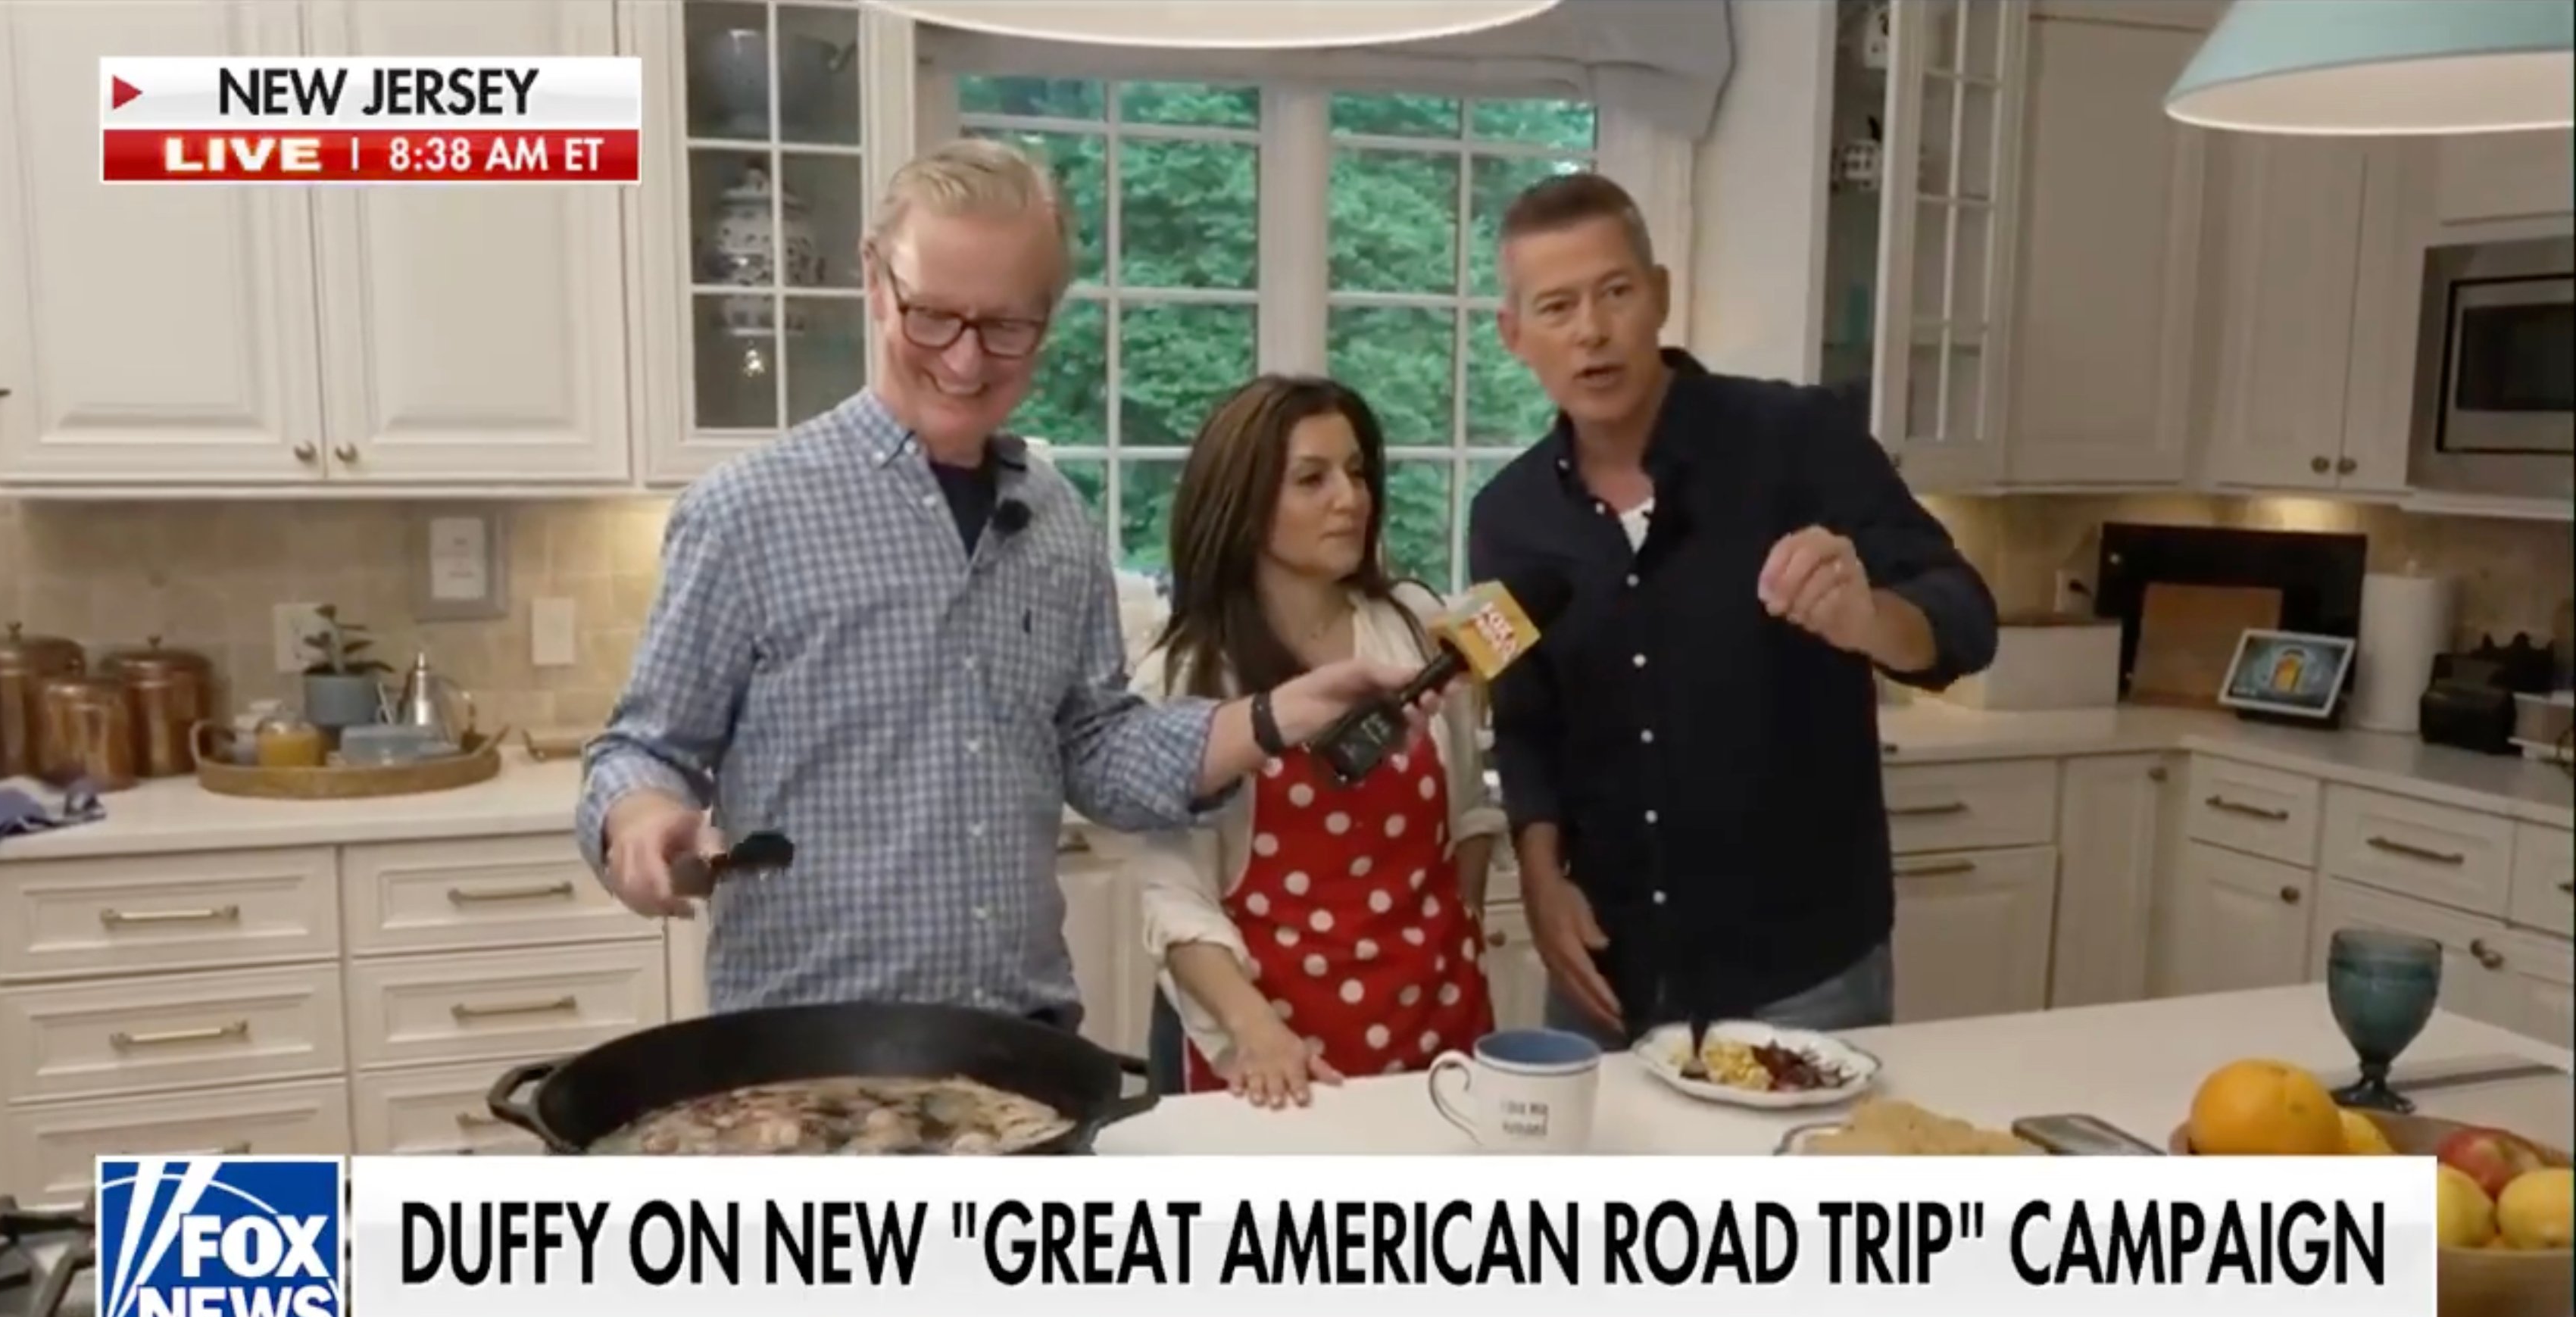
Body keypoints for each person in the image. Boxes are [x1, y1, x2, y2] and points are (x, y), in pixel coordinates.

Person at [579, 139, 1423, 1021]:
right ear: (876, 281)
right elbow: (644, 749)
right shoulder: (745, 513)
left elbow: (1097, 753)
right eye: (932, 316)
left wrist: (1281, 714)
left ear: (1047, 319)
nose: (965, 361)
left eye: (1006, 327)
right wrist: (637, 818)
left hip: (1022, 1050)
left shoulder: (1054, 518)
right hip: (808, 1053)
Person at [1466, 173, 1997, 1046]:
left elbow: (1966, 618)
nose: (1592, 331)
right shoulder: (1507, 518)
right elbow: (1526, 724)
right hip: (1606, 975)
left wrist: (1869, 620)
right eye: (1557, 307)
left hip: (1803, 975)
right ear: (1514, 334)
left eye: (1615, 292)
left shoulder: (1798, 439)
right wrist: (1539, 878)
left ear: (1661, 296)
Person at [1125, 376, 1504, 1106]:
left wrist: (1462, 934)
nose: (1350, 498)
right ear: (1242, 501)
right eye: (1312, 479)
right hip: (1273, 1051)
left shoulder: (1416, 622)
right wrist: (1256, 1032)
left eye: (1357, 472)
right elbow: (1175, 895)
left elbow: (1469, 818)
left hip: (1435, 1023)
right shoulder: (1188, 674)